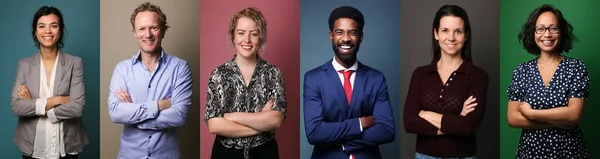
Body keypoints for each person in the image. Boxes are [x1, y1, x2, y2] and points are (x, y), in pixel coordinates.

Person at [303, 6, 396, 159]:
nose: (346, 38)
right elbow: (314, 133)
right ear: (331, 35)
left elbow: (387, 130)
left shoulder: (376, 78)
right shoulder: (313, 78)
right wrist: (359, 123)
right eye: (339, 32)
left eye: (352, 33)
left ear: (361, 37)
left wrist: (344, 143)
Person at [107, 2, 193, 158]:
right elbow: (115, 113)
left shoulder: (180, 68)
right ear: (134, 32)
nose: (148, 34)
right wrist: (158, 105)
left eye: (153, 27)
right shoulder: (122, 69)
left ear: (163, 30)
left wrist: (135, 115)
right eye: (141, 29)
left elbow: (179, 115)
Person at [403, 5, 488, 159]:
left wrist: (425, 114)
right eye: (445, 30)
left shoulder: (478, 76)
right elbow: (409, 122)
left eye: (458, 31)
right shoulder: (420, 74)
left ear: (466, 35)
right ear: (436, 33)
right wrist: (456, 121)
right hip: (424, 156)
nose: (451, 38)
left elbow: (468, 126)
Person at [204, 7, 286, 159]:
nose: (247, 40)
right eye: (241, 33)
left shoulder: (272, 73)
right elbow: (214, 125)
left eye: (253, 34)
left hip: (264, 153)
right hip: (226, 154)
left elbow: (276, 119)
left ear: (260, 37)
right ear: (233, 36)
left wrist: (231, 116)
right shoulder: (219, 74)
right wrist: (260, 122)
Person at [507, 4, 588, 158]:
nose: (547, 34)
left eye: (553, 28)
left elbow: (574, 114)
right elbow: (513, 118)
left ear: (561, 32)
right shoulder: (522, 71)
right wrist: (559, 121)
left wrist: (531, 113)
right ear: (533, 33)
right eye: (541, 29)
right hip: (530, 152)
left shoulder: (576, 67)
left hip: (569, 152)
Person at [11, 6, 88, 159]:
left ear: (60, 31)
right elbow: (17, 106)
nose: (48, 31)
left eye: (54, 25)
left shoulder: (75, 63)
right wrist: (58, 100)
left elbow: (77, 108)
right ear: (35, 32)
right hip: (33, 147)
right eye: (42, 26)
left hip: (66, 146)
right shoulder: (24, 65)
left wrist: (35, 106)